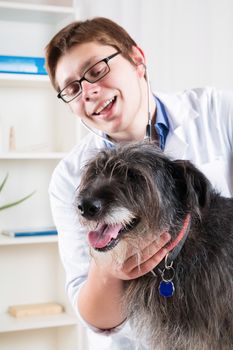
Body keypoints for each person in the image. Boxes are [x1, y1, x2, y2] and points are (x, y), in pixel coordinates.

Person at [45, 17, 233, 350]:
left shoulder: (216, 111)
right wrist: (108, 269)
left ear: (137, 60)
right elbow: (93, 314)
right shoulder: (68, 177)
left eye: (97, 69)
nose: (88, 91)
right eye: (72, 88)